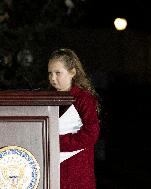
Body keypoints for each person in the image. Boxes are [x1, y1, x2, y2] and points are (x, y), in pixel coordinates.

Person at [47, 48, 100, 189]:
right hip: (52, 169)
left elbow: (91, 134)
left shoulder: (84, 99)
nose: (53, 78)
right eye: (50, 73)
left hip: (76, 170)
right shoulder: (47, 98)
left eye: (58, 73)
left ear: (72, 72)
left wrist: (55, 142)